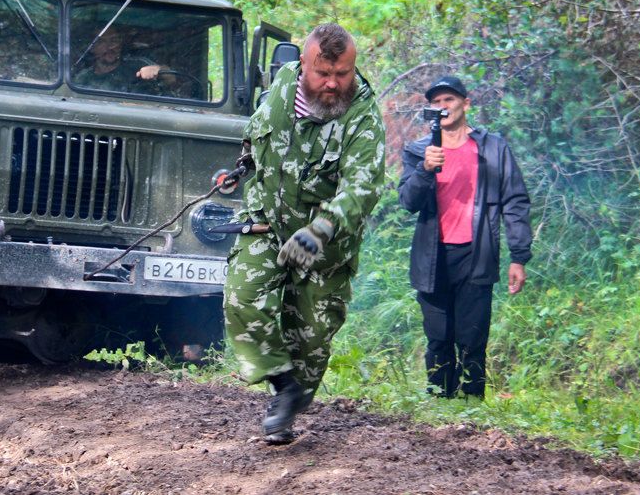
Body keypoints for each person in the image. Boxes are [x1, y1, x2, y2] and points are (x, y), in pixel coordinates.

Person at [224, 23, 386, 444]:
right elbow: (257, 134)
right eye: (322, 73)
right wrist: (241, 167)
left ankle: (295, 397)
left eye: (343, 73)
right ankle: (282, 387)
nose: (333, 83)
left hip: (324, 244)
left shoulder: (361, 117)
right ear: (302, 66)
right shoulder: (280, 85)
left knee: (311, 338)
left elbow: (362, 187)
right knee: (242, 297)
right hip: (268, 223)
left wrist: (321, 229)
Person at [398, 75, 533, 399]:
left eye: (449, 100)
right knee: (438, 338)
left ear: (465, 104)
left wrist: (519, 256)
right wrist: (424, 170)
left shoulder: (492, 148)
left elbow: (514, 200)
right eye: (437, 102)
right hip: (432, 257)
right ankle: (438, 407)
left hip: (477, 254)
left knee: (472, 339)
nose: (443, 107)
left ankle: (471, 408)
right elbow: (408, 202)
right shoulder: (420, 151)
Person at [73, 26, 174, 94]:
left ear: (120, 44)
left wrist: (156, 69)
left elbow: (171, 78)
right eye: (102, 42)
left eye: (114, 40)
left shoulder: (138, 65)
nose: (110, 47)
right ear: (92, 48)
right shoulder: (83, 78)